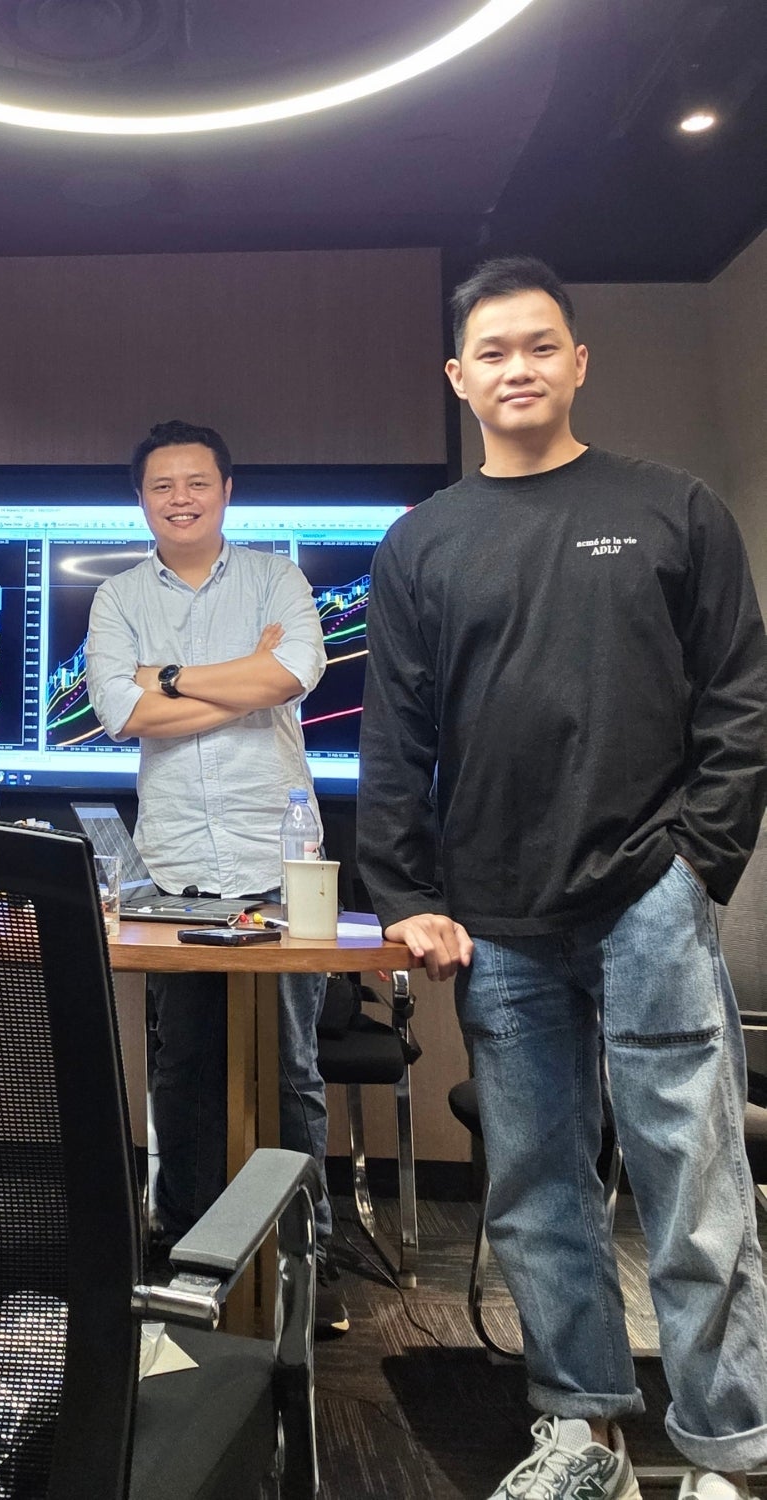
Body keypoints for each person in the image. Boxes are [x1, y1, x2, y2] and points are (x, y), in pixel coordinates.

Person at [359, 255, 767, 1500]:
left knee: (691, 1187)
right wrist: (406, 894)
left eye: (540, 346)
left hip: (649, 896)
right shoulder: (422, 542)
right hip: (495, 916)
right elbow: (397, 737)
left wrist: (697, 861)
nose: (518, 368)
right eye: (493, 352)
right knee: (538, 1189)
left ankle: (725, 1450)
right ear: (458, 377)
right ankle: (582, 1435)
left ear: (579, 362)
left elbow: (738, 697)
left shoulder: (674, 508)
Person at [86, 419, 347, 1336]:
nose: (181, 498)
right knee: (185, 1064)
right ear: (142, 499)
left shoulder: (277, 578)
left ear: (227, 490)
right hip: (173, 870)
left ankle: (306, 1256)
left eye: (197, 482)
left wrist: (167, 679)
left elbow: (293, 674)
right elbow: (120, 713)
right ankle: (190, 1253)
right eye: (162, 485)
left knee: (291, 1069)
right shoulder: (117, 597)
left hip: (277, 865)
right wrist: (238, 678)